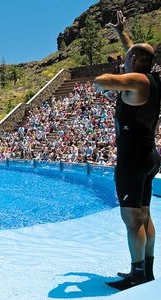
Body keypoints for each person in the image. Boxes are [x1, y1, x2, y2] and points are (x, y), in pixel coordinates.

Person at [94, 11, 161, 290]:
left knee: (131, 218)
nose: (124, 60)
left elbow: (101, 79)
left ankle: (136, 275)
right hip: (148, 154)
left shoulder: (137, 81)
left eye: (127, 59)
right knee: (144, 214)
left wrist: (109, 88)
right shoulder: (152, 78)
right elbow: (136, 55)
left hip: (132, 158)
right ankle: (146, 269)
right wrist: (123, 34)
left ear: (133, 63)